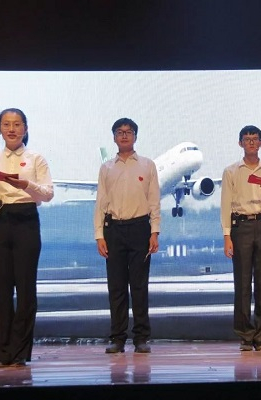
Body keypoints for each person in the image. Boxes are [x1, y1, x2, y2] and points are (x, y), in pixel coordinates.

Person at [0, 108, 54, 367]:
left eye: (17, 124)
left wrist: (26, 185)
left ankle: (20, 351)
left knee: (26, 289)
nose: (12, 129)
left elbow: (48, 194)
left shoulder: (36, 159)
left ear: (25, 129)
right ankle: (2, 352)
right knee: (1, 290)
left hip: (26, 220)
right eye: (6, 124)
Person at [94, 117, 161, 354]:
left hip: (140, 229)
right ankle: (118, 338)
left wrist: (154, 231)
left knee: (140, 286)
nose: (124, 135)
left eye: (129, 131)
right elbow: (100, 203)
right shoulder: (106, 168)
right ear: (114, 137)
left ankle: (141, 338)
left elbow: (154, 201)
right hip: (113, 230)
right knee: (117, 287)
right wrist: (99, 235)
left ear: (135, 136)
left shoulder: (147, 165)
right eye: (120, 132)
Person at [220, 125, 261, 352]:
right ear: (240, 143)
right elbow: (225, 205)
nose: (251, 142)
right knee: (242, 283)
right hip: (240, 226)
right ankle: (245, 335)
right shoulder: (231, 171)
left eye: (255, 139)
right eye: (247, 139)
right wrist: (227, 236)